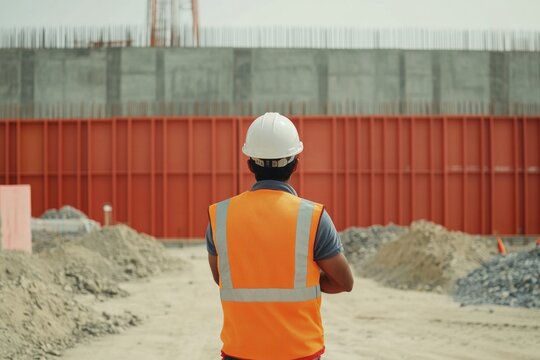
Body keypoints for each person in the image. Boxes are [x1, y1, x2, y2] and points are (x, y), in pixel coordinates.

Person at [206, 112, 354, 360]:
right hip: (299, 352)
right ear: (295, 164)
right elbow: (344, 282)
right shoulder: (313, 218)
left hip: (240, 352)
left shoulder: (220, 216)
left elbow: (221, 277)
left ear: (250, 164)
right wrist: (305, 282)